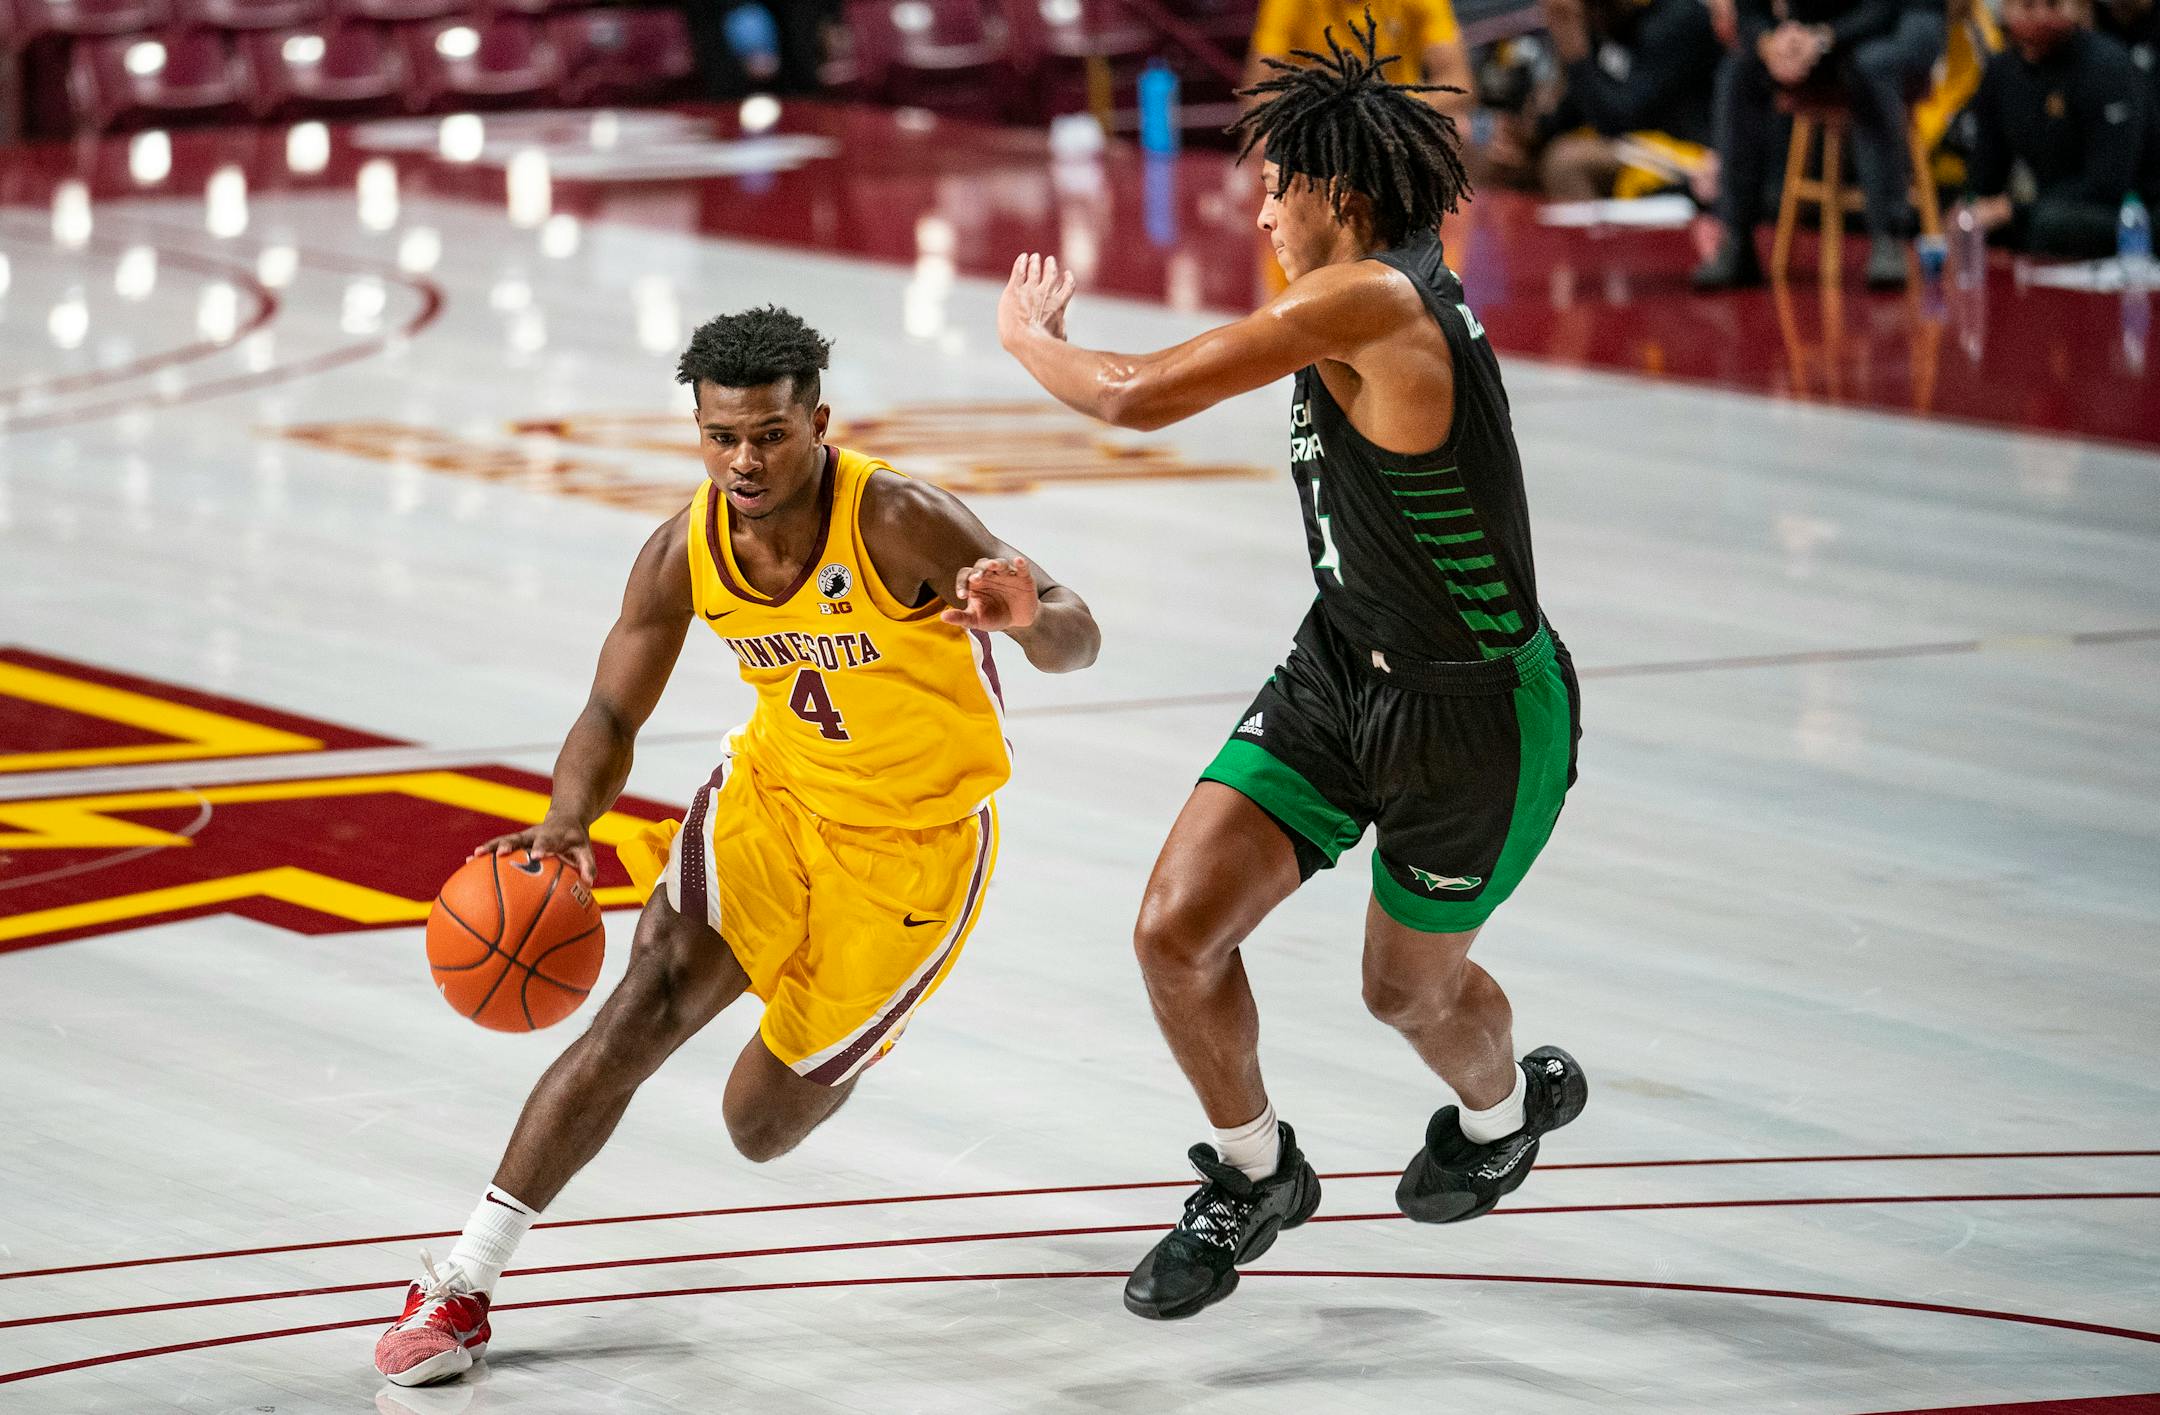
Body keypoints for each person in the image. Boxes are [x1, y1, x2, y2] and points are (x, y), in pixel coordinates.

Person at [371, 307, 1100, 1386]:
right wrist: (568, 818)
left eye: (769, 433)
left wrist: (1028, 613)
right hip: (775, 798)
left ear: (819, 421)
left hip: (915, 847)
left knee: (759, 1125)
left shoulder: (900, 518)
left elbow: (1080, 634)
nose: (745, 460)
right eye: (722, 436)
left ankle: (844, 1021)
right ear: (698, 429)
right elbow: (611, 714)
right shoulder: (682, 549)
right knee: (644, 1004)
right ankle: (461, 1280)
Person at [999, 16, 1587, 1323]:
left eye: (1277, 182)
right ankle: (1258, 1173)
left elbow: (1136, 393)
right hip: (1343, 663)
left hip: (1477, 711)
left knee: (1403, 989)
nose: (1257, 208)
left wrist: (1028, 335)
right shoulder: (1367, 285)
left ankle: (1504, 1115)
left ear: (1344, 192)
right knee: (1174, 927)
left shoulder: (1373, 296)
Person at [1694, 0, 1949, 289]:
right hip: (1811, 39)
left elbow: (1883, 10)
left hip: (1884, 30)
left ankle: (1888, 236)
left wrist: (1823, 39)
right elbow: (1749, 10)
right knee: (1738, 72)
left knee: (1871, 65)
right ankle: (1737, 239)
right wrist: (1769, 43)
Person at [1963, 0, 2158, 257]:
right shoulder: (2001, 73)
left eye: (2053, 4)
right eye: (2028, 5)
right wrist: (1969, 209)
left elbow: (2109, 183)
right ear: (2006, 7)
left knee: (2050, 224)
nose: (2042, 16)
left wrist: (2015, 209)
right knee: (1967, 219)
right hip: (2052, 204)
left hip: (2132, 210)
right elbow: (1985, 176)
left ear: (2076, 6)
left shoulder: (2107, 65)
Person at [1524, 0, 1725, 199]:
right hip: (1633, 148)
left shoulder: (1677, 18)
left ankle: (1599, 233)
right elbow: (1572, 112)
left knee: (1565, 162)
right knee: (1510, 164)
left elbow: (1620, 120)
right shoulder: (1602, 23)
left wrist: (1576, 53)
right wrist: (1528, 135)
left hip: (1691, 153)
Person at [1247, 0, 1477, 119]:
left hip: (1397, 116)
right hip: (1315, 116)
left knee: (1459, 128)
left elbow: (1460, 84)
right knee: (1261, 139)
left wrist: (1401, 112)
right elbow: (1256, 88)